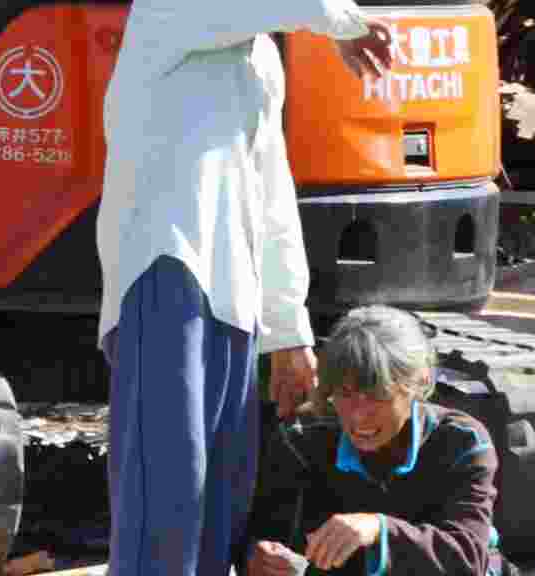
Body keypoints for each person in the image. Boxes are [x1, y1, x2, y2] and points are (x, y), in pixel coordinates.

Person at [96, 2, 393, 574]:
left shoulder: (260, 57)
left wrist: (287, 331)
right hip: (164, 285)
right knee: (165, 515)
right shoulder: (166, 12)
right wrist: (345, 21)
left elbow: (271, 197)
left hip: (234, 300)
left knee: (219, 514)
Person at [245, 306, 508, 576]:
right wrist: (259, 559)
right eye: (345, 394)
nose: (358, 416)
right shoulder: (301, 440)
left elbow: (467, 560)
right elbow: (267, 537)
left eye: (379, 395)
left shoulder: (462, 442)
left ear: (419, 383)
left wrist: (379, 530)